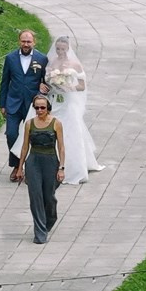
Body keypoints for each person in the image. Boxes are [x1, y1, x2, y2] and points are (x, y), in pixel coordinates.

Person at [47, 35, 102, 184]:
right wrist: (54, 84)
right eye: (58, 49)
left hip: (69, 101)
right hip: (56, 100)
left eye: (63, 49)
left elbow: (82, 86)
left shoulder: (75, 64)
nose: (60, 52)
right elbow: (48, 79)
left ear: (68, 49)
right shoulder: (52, 62)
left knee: (71, 131)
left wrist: (69, 87)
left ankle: (75, 168)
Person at [12, 96, 66, 243]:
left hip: (50, 161)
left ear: (48, 108)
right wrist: (20, 168)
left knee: (49, 197)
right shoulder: (29, 124)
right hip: (34, 162)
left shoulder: (56, 123)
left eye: (43, 107)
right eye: (37, 108)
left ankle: (50, 218)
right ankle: (40, 233)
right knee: (35, 197)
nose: (40, 110)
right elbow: (25, 147)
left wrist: (61, 168)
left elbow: (61, 147)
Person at [0, 29, 47, 172]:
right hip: (13, 102)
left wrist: (43, 88)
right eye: (23, 41)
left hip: (32, 104)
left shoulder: (42, 59)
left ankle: (31, 166)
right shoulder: (10, 58)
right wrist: (2, 104)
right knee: (11, 134)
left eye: (28, 42)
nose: (26, 44)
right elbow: (5, 82)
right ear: (19, 41)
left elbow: (46, 80)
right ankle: (16, 165)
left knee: (33, 136)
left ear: (34, 42)